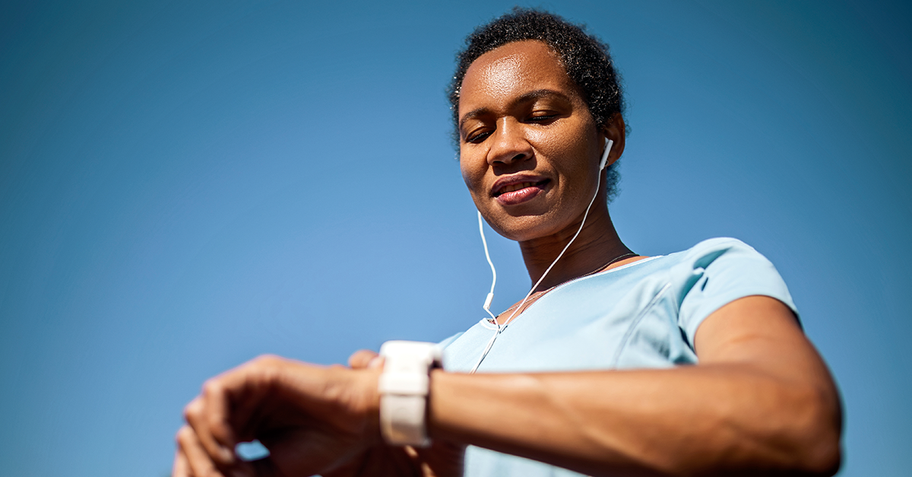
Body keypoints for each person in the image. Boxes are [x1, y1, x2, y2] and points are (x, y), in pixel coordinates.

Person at [172, 9, 842, 477]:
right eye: (477, 130)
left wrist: (402, 399)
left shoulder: (699, 278)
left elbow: (795, 422)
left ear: (611, 136)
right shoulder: (445, 358)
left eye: (540, 115)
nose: (506, 149)